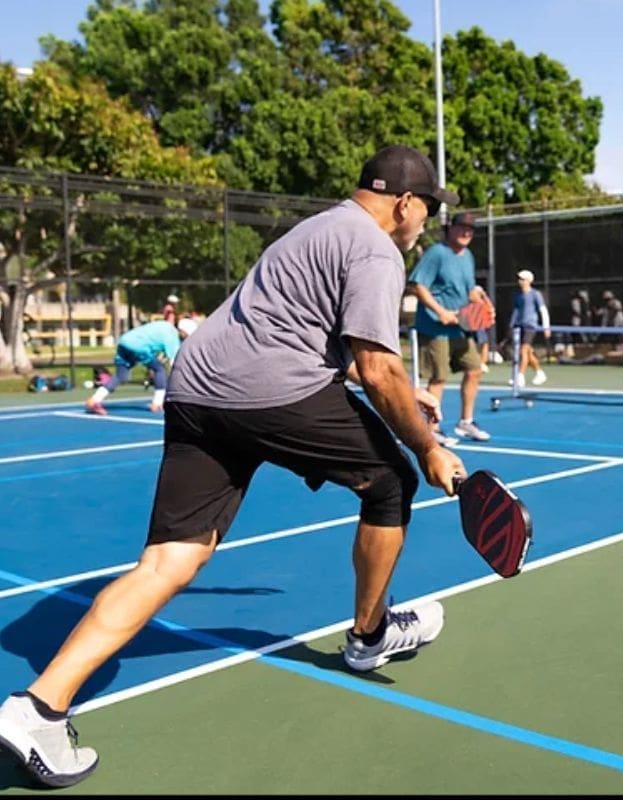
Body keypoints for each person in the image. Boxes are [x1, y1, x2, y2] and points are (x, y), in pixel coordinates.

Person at [0, 145, 466, 789]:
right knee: (392, 482)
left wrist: (392, 392)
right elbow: (377, 367)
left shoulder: (316, 227)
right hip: (273, 392)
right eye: (427, 211)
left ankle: (38, 708)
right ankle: (369, 636)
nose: (425, 225)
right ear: (407, 203)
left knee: (170, 560)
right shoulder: (377, 247)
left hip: (195, 389)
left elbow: (327, 346)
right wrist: (428, 445)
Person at [409, 211, 491, 444]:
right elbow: (418, 286)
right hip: (435, 328)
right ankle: (431, 429)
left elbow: (470, 289)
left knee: (474, 369)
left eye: (470, 230)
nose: (466, 233)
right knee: (439, 377)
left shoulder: (468, 256)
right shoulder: (436, 253)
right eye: (462, 228)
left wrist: (480, 298)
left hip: (461, 327)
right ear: (450, 229)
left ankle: (466, 422)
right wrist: (441, 312)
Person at [84, 316, 199, 415]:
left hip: (124, 342)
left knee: (121, 376)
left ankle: (94, 400)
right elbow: (174, 363)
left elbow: (154, 344)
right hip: (138, 346)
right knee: (159, 370)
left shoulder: (164, 326)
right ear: (183, 331)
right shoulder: (172, 337)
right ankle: (157, 404)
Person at [509, 269, 550, 387]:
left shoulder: (535, 294)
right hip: (519, 326)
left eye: (522, 279)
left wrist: (546, 327)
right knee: (527, 352)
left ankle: (520, 376)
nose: (519, 281)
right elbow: (516, 311)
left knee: (523, 350)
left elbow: (543, 310)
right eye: (519, 279)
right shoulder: (518, 295)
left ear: (528, 281)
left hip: (531, 326)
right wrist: (511, 325)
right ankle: (540, 373)